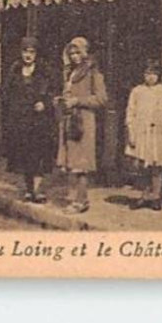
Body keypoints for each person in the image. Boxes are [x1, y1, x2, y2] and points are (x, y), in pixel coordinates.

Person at [1, 36, 59, 203]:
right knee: (24, 155)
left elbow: (54, 91)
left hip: (40, 120)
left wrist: (45, 103)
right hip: (21, 120)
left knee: (39, 154)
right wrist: (13, 108)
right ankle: (28, 189)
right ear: (21, 53)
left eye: (31, 52)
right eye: (25, 51)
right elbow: (5, 92)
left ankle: (38, 190)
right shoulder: (15, 70)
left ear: (36, 54)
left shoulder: (44, 71)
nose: (28, 55)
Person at [57, 36, 107, 214]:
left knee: (81, 163)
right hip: (70, 119)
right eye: (71, 53)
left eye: (78, 52)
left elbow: (101, 99)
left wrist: (78, 101)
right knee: (71, 161)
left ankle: (82, 200)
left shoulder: (93, 72)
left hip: (84, 121)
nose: (74, 56)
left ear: (85, 52)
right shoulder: (70, 72)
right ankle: (74, 198)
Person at [126, 59, 162, 210]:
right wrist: (131, 133)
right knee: (143, 166)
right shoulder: (137, 91)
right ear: (143, 75)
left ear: (158, 76)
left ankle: (156, 196)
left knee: (157, 166)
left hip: (158, 132)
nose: (151, 77)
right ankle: (144, 195)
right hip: (142, 132)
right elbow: (130, 113)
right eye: (148, 74)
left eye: (154, 74)